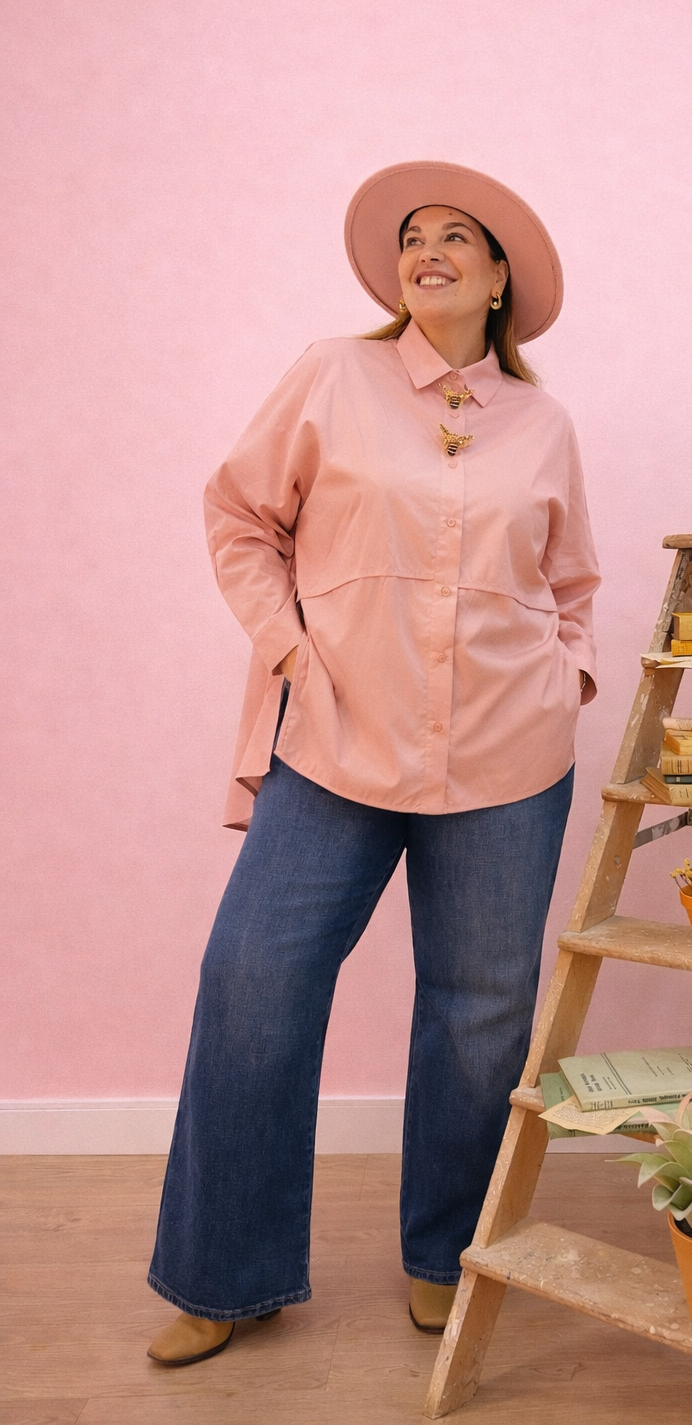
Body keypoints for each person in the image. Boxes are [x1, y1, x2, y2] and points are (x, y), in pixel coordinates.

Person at [146, 162, 600, 1365]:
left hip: (506, 749)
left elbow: (571, 585)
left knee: (479, 1015)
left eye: (456, 237)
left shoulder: (543, 424)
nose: (427, 250)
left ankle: (445, 1258)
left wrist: (567, 676)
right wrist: (293, 651)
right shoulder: (331, 376)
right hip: (337, 737)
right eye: (412, 237)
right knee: (254, 980)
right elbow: (240, 518)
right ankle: (222, 1273)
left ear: (499, 278)